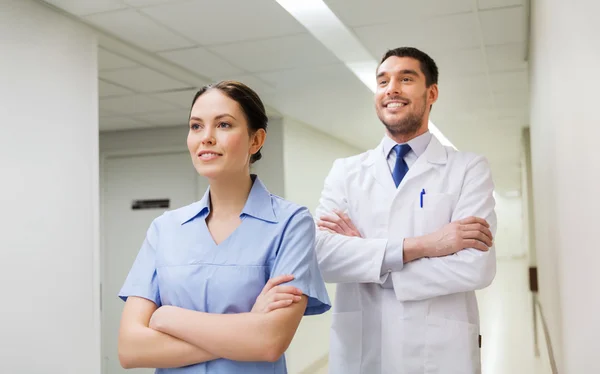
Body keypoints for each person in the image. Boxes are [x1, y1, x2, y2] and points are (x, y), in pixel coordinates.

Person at [117, 80, 331, 373]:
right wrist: (246, 328)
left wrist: (167, 318)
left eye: (224, 125)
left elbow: (268, 343)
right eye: (196, 126)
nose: (206, 137)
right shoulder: (164, 229)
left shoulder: (290, 224)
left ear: (255, 141)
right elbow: (131, 349)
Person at [315, 47, 497, 374]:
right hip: (362, 351)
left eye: (406, 78)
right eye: (383, 80)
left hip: (440, 353)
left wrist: (369, 262)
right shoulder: (345, 172)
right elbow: (322, 257)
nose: (391, 88)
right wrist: (428, 245)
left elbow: (476, 267)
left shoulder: (468, 168)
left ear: (432, 93)